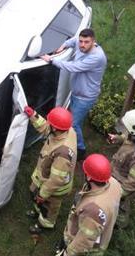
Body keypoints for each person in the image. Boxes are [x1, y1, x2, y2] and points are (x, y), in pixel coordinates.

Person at [41, 28, 107, 160]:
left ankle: (81, 150)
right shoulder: (80, 43)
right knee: (75, 120)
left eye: (86, 42)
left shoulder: (97, 57)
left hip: (85, 97)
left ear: (93, 41)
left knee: (73, 124)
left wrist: (51, 60)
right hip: (77, 93)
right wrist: (63, 46)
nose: (82, 45)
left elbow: (74, 67)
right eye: (81, 41)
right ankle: (72, 139)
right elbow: (73, 40)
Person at [56, 154, 121, 256]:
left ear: (90, 178)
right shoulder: (114, 184)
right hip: (100, 229)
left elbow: (84, 241)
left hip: (88, 248)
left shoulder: (93, 210)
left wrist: (68, 255)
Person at [24, 105, 77, 234]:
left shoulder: (63, 153)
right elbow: (47, 128)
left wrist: (43, 194)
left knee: (49, 207)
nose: (48, 125)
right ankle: (38, 210)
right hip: (45, 176)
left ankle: (45, 225)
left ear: (56, 128)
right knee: (36, 195)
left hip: (54, 188)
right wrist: (33, 115)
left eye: (51, 123)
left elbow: (56, 180)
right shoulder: (66, 129)